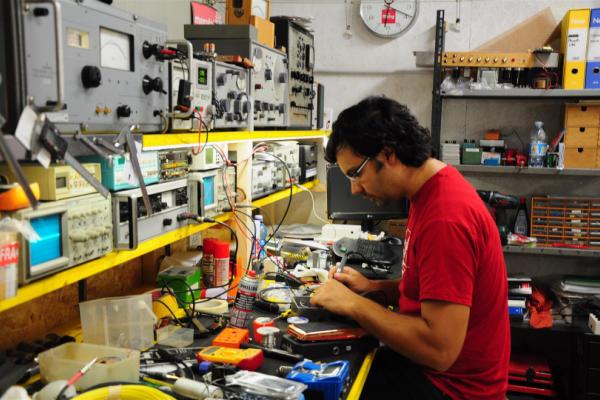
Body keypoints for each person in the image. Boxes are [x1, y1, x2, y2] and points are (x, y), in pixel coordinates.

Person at [310, 96, 510, 400]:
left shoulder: (445, 216)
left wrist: (354, 305)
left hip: (452, 389)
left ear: (388, 154)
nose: (354, 188)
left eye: (356, 173)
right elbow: (432, 290)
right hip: (438, 375)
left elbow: (439, 349)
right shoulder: (430, 190)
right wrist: (375, 287)